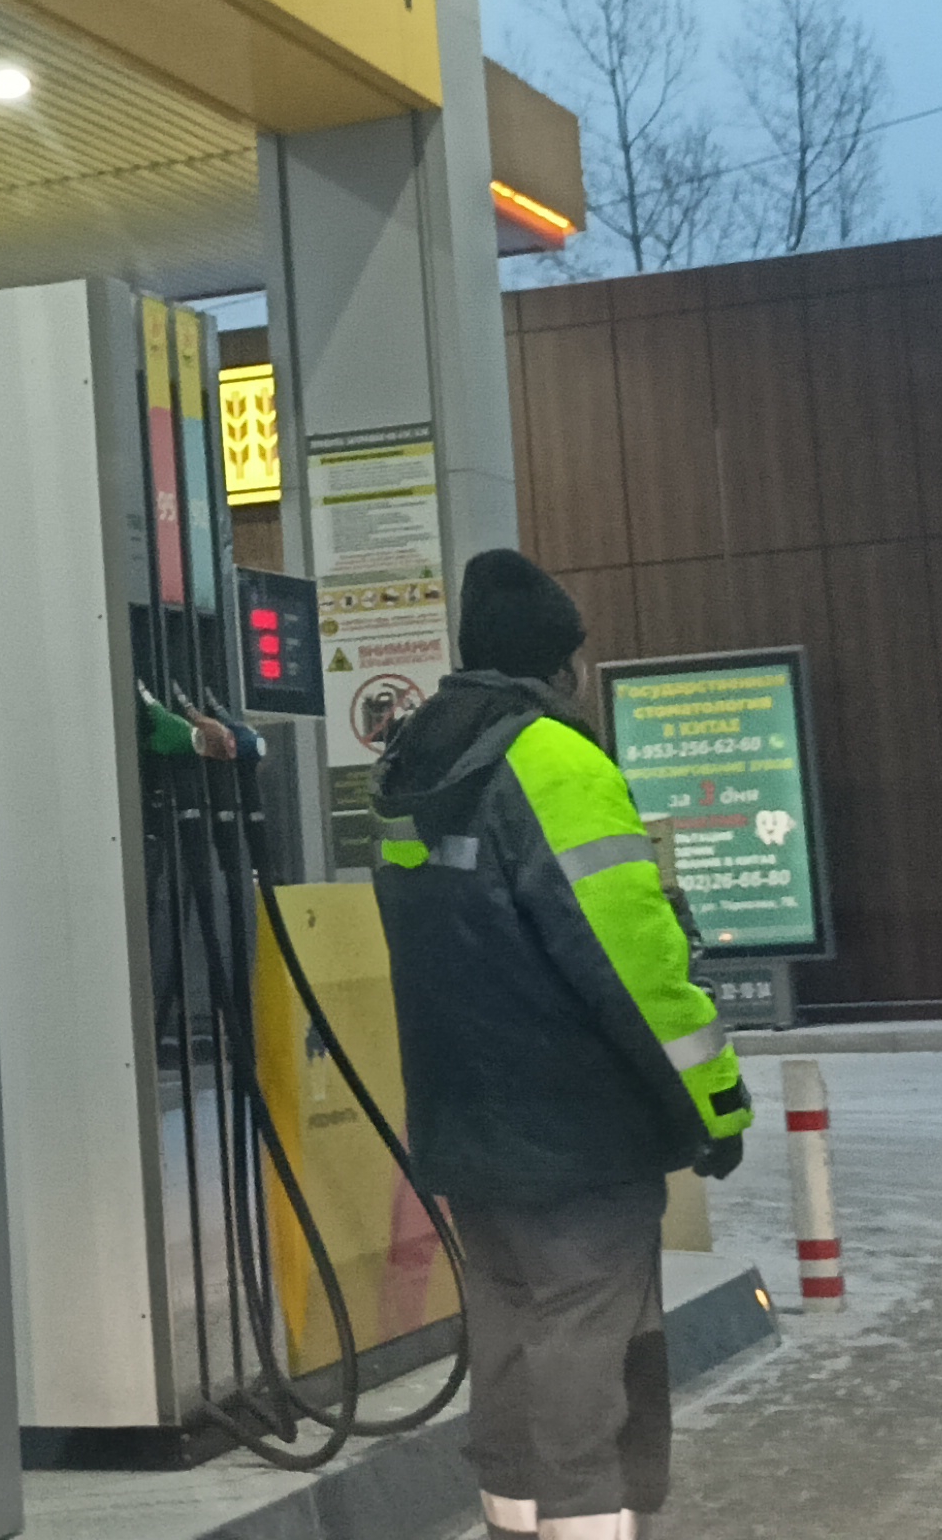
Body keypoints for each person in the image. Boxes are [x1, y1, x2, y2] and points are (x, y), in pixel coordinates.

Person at [370, 549, 752, 1540]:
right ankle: (587, 1524)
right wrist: (715, 1102)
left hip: (464, 1123)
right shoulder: (554, 762)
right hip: (576, 1131)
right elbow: (636, 966)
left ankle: (513, 1519)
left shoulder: (415, 766)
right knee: (590, 1336)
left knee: (508, 1325)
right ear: (560, 662)